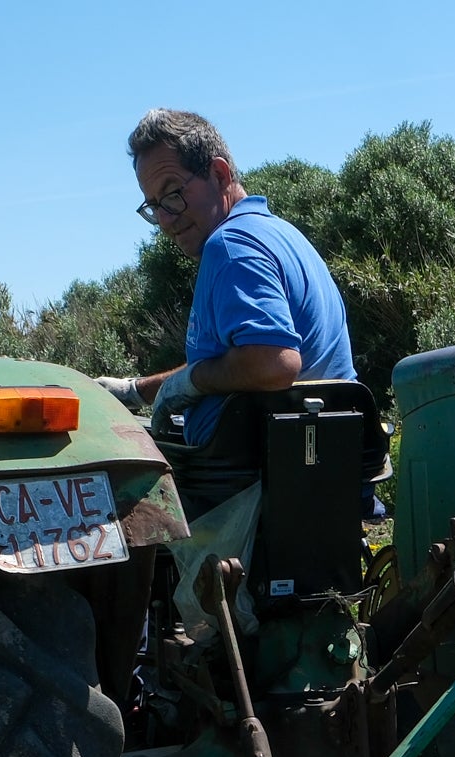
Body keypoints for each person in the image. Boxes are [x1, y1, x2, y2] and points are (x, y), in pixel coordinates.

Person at [101, 109, 355, 516]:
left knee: (112, 507)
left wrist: (193, 382)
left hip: (250, 495)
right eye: (153, 206)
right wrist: (139, 389)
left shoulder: (231, 246)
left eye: (172, 193)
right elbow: (236, 361)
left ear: (219, 175)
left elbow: (274, 363)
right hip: (318, 473)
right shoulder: (280, 234)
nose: (165, 219)